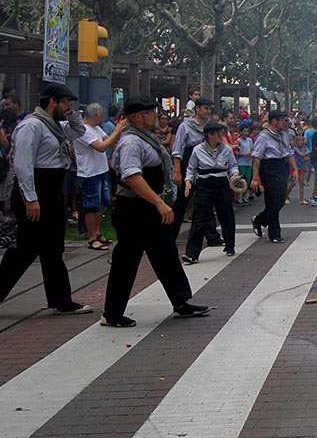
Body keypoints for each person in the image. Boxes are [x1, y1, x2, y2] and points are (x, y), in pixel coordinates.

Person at [101, 96, 209, 327]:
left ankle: (181, 301)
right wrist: (158, 203)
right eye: (151, 113)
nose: (156, 117)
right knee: (127, 259)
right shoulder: (131, 141)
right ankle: (112, 313)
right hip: (134, 209)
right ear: (138, 117)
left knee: (166, 253)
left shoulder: (146, 137)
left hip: (149, 207)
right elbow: (131, 176)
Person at [0, 83, 92, 314]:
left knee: (53, 249)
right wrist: (31, 199)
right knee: (25, 250)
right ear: (52, 102)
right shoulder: (31, 126)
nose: (69, 107)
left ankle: (61, 300)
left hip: (51, 192)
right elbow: (23, 165)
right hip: (35, 192)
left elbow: (79, 131)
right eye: (66, 102)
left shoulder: (54, 126)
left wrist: (73, 115)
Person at [182, 121, 240, 263]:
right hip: (204, 184)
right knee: (200, 218)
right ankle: (192, 253)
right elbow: (191, 168)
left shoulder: (226, 150)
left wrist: (235, 174)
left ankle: (230, 245)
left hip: (221, 183)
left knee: (226, 215)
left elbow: (233, 165)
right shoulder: (198, 150)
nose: (222, 136)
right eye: (219, 133)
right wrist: (188, 181)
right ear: (209, 135)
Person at [74, 103, 127, 251]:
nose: (103, 118)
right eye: (101, 115)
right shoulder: (83, 130)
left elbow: (109, 140)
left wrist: (119, 132)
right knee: (91, 205)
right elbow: (101, 146)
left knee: (103, 202)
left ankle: (97, 232)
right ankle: (91, 237)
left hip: (101, 169)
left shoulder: (96, 128)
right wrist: (116, 132)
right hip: (89, 172)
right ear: (95, 115)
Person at [170, 97, 221, 244]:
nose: (208, 111)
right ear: (197, 109)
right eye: (205, 108)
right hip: (188, 163)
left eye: (210, 109)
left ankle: (212, 236)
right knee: (182, 202)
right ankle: (170, 235)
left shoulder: (210, 127)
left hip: (205, 165)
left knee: (206, 201)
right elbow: (177, 150)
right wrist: (178, 172)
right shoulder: (185, 126)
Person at [250, 109, 297, 244]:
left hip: (282, 167)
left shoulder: (284, 135)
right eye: (283, 120)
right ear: (274, 121)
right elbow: (257, 158)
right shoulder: (263, 137)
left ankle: (260, 220)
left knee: (281, 199)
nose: (286, 123)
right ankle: (274, 233)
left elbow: (289, 152)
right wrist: (255, 178)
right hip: (269, 168)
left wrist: (294, 169)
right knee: (272, 199)